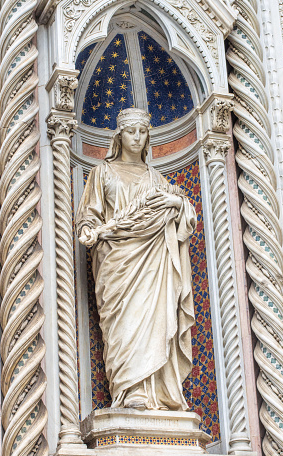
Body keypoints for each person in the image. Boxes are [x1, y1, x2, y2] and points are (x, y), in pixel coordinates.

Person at [76, 108, 196, 411]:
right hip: (117, 262)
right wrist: (88, 230)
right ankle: (128, 391)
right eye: (131, 132)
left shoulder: (156, 178)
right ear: (120, 135)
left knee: (153, 319)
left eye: (142, 132)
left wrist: (176, 202)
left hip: (153, 263)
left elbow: (184, 216)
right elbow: (89, 214)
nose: (137, 138)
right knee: (124, 326)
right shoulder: (101, 172)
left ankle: (155, 392)